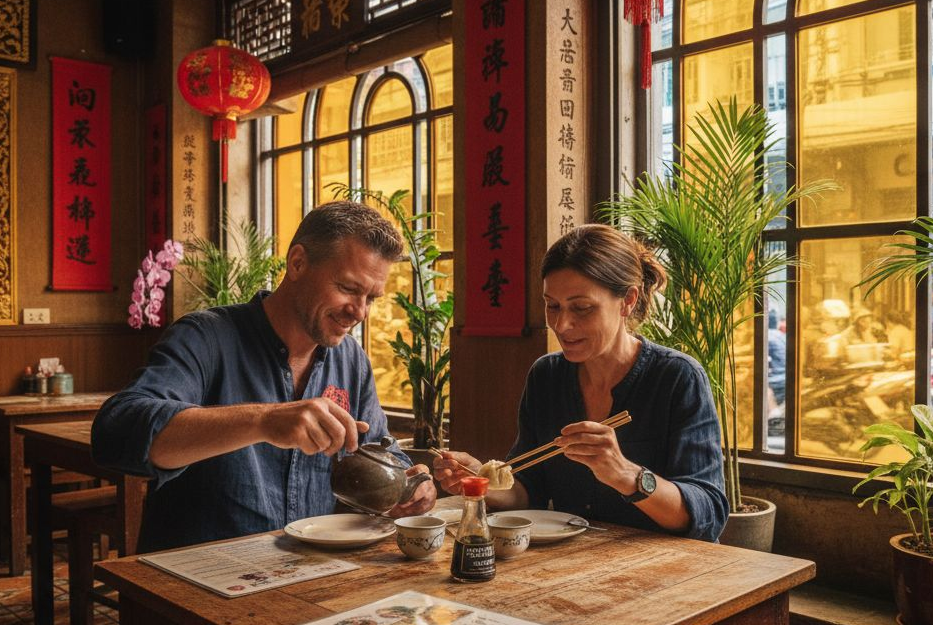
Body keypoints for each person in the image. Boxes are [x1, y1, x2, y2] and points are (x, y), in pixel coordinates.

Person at [92, 201, 437, 552]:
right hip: (201, 572)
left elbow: (380, 449)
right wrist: (264, 421)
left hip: (309, 569)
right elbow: (116, 431)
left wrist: (413, 484)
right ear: (297, 262)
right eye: (348, 288)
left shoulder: (351, 361)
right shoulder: (205, 337)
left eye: (371, 298)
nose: (360, 312)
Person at [433, 224, 728, 541]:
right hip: (575, 561)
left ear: (627, 300)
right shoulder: (547, 376)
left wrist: (625, 474)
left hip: (666, 564)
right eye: (552, 306)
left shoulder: (677, 377)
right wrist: (481, 480)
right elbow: (529, 491)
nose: (562, 324)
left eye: (582, 308)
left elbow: (708, 513)